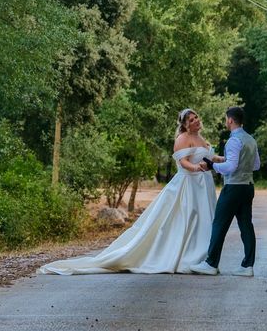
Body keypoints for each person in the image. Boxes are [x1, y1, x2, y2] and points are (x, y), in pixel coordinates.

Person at [38, 108, 223, 275]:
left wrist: (222, 159)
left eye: (196, 117)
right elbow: (183, 163)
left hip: (203, 185)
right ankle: (185, 258)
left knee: (205, 220)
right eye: (190, 120)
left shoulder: (202, 139)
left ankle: (202, 259)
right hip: (188, 185)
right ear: (184, 125)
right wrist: (196, 168)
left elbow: (210, 157)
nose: (195, 121)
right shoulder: (183, 139)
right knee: (189, 219)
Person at [190, 106, 260, 277]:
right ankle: (247, 266)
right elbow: (256, 165)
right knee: (246, 226)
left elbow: (230, 166)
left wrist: (212, 166)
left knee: (219, 223)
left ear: (230, 120)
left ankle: (211, 264)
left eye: (226, 119)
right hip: (248, 186)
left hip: (233, 187)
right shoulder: (251, 140)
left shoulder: (233, 141)